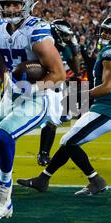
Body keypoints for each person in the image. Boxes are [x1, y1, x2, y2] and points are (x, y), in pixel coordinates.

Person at [18, 16, 111, 195]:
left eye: (110, 32)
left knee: (68, 141)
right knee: (68, 141)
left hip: (108, 109)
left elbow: (108, 87)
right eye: (105, 31)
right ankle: (43, 179)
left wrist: (79, 94)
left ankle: (96, 180)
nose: (105, 34)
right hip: (102, 107)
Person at [0, 0, 65, 220]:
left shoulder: (37, 30)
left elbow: (59, 75)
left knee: (3, 134)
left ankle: (4, 195)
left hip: (35, 97)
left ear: (26, 4)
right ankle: (4, 204)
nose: (9, 9)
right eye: (6, 4)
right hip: (10, 93)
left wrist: (34, 88)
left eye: (15, 4)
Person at [37, 19, 82, 167]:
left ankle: (44, 153)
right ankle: (43, 153)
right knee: (45, 120)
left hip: (57, 86)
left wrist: (75, 50)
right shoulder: (42, 44)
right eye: (64, 35)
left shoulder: (64, 48)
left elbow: (76, 70)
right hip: (40, 84)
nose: (67, 38)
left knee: (53, 121)